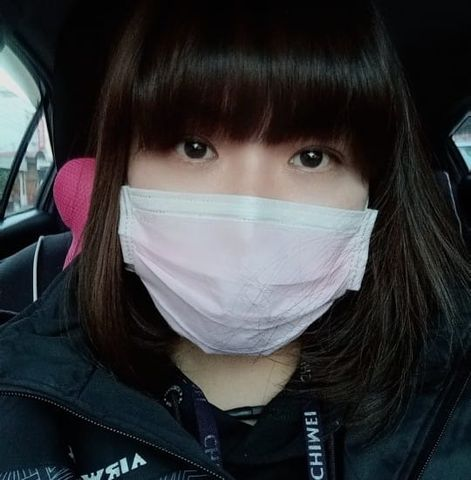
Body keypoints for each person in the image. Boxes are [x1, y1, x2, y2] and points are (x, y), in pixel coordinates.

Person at [0, 0, 470, 478]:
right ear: (122, 171)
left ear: (375, 189)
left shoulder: (451, 392)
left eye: (311, 157)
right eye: (195, 148)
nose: (249, 209)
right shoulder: (22, 401)